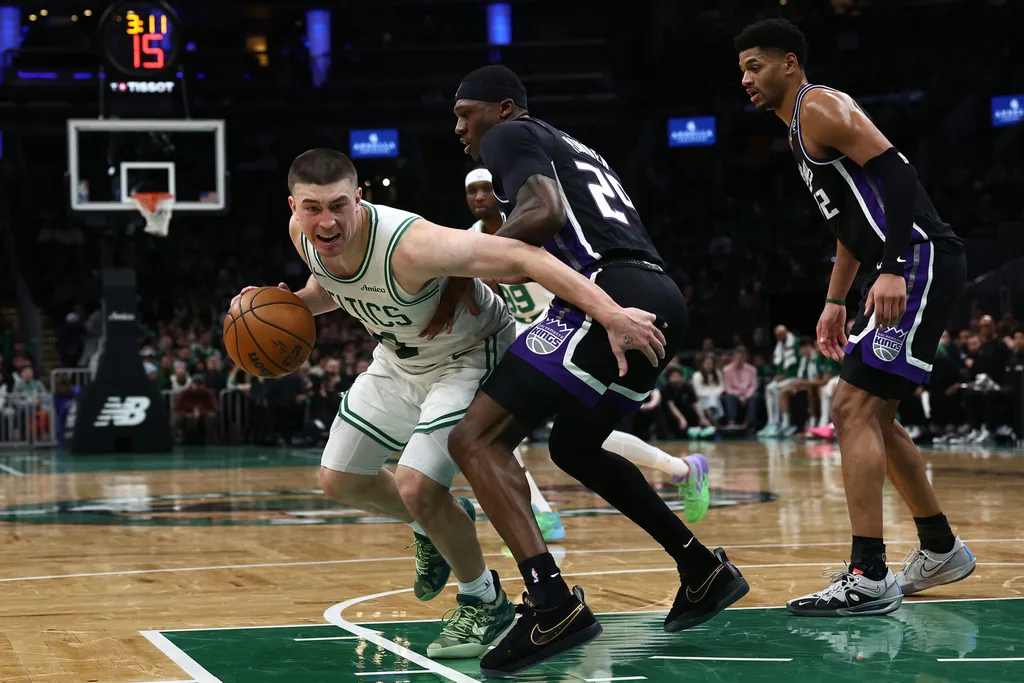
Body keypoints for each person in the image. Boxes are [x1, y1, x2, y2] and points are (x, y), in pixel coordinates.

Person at [232, 148, 666, 659]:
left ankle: (484, 602)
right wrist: (283, 307)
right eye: (312, 208)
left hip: (468, 356)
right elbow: (333, 288)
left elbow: (525, 257)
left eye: (338, 206)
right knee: (340, 479)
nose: (326, 221)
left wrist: (612, 314)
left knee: (416, 483)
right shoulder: (302, 235)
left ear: (359, 199)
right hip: (399, 359)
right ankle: (433, 521)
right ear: (294, 207)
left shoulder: (410, 244)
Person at [447, 66, 747, 676]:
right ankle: (701, 568)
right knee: (575, 447)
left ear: (502, 108)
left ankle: (553, 606)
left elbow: (544, 212)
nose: (459, 128)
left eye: (464, 113)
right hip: (659, 295)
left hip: (606, 295)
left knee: (474, 439)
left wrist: (464, 265)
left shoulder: (509, 135)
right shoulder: (570, 145)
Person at [736, 18, 975, 617]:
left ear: (790, 63)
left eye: (755, 66)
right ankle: (940, 548)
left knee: (850, 408)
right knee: (877, 418)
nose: (746, 79)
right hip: (899, 263)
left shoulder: (819, 107)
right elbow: (848, 225)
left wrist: (892, 267)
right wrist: (834, 300)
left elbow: (899, 172)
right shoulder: (796, 130)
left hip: (917, 258)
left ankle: (868, 575)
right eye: (741, 70)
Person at [461, 166, 711, 524]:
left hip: (564, 321)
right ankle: (542, 513)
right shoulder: (471, 238)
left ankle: (682, 469)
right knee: (497, 429)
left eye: (486, 188)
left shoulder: (530, 221)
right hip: (521, 330)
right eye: (472, 191)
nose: (479, 197)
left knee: (578, 437)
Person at [759, 324, 799, 437]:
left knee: (776, 388)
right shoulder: (780, 345)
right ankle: (771, 421)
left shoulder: (795, 343)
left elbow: (798, 363)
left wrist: (785, 376)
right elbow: (780, 365)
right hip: (784, 378)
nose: (780, 337)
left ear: (786, 332)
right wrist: (779, 375)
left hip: (794, 377)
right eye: (777, 335)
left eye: (781, 334)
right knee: (768, 388)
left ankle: (779, 422)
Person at [722, 346, 759, 429]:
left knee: (754, 397)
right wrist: (739, 396)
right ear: (733, 357)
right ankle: (731, 423)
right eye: (738, 357)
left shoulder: (752, 369)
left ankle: (747, 423)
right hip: (734, 394)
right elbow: (728, 388)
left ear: (745, 358)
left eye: (742, 357)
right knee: (729, 397)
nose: (740, 359)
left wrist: (746, 396)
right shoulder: (726, 370)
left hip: (748, 393)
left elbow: (753, 386)